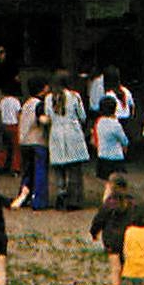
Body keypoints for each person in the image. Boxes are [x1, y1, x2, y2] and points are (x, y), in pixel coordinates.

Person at [88, 175, 137, 285]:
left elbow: (99, 220)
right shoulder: (131, 203)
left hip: (111, 240)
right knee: (127, 268)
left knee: (115, 270)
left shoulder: (109, 203)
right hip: (128, 239)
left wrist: (94, 233)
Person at [46, 72, 90, 211]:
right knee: (74, 168)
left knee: (59, 168)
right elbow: (82, 116)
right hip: (72, 132)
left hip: (56, 133)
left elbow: (48, 116)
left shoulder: (49, 98)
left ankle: (61, 194)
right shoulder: (75, 96)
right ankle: (74, 200)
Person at [11, 74, 50, 210]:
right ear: (43, 88)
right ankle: (39, 200)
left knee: (28, 171)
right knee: (40, 170)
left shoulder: (26, 103)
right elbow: (42, 119)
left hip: (24, 142)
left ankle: (23, 195)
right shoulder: (39, 104)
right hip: (37, 141)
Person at [93, 103, 130, 181]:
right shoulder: (115, 124)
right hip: (115, 158)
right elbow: (124, 140)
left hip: (102, 156)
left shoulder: (99, 122)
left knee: (107, 183)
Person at [0, 89, 22, 176]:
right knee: (16, 148)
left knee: (4, 147)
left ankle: (0, 164)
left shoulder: (2, 101)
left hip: (4, 125)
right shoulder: (16, 101)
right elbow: (18, 114)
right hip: (14, 125)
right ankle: (15, 168)